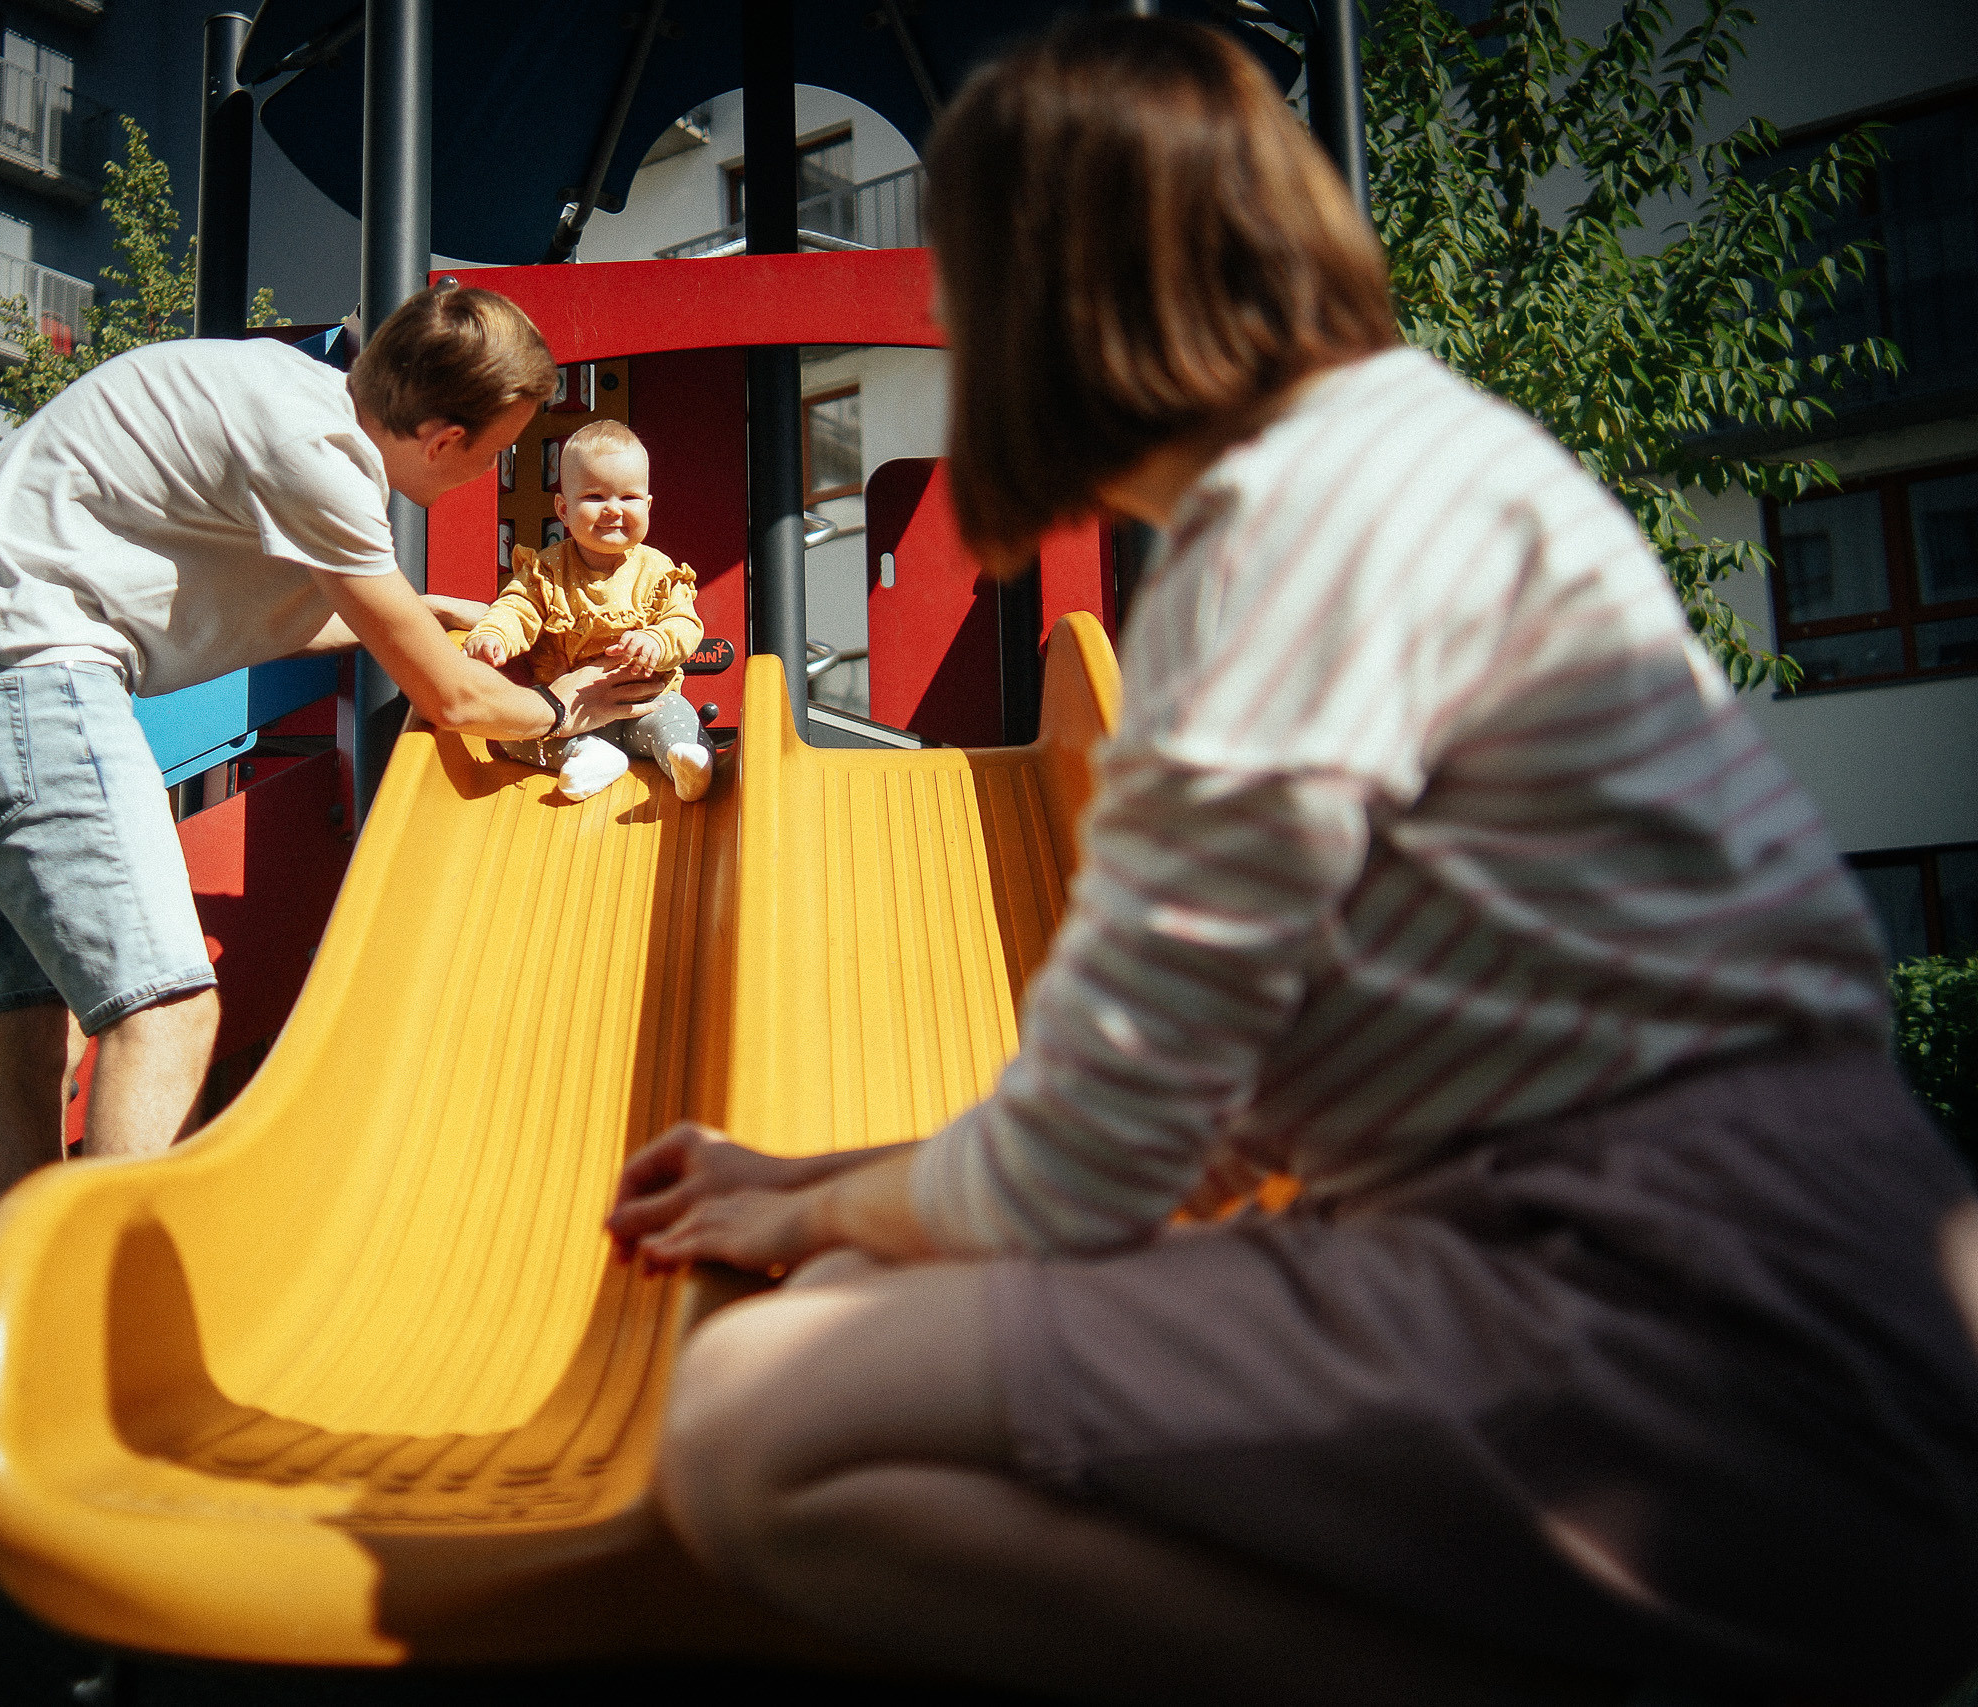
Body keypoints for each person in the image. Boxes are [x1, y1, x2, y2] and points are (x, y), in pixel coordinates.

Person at [604, 18, 1978, 1707]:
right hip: (1814, 1291)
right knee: (844, 1283)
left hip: (1684, 1333)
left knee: (754, 1431)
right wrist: (830, 1174)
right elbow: (1210, 1116)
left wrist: (814, 1200)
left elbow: (1083, 1175)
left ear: (1051, 300)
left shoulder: (1288, 539)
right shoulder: (1428, 460)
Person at [0, 285, 657, 1226]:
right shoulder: (323, 460)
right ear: (447, 440)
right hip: (27, 669)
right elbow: (452, 698)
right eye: (495, 452)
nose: (485, 470)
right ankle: (105, 1328)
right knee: (167, 1007)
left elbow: (283, 601)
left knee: (23, 1027)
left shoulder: (287, 394)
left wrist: (421, 618)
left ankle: (12, 1335)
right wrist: (557, 707)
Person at [463, 418, 715, 802]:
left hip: (641, 701)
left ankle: (685, 761)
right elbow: (516, 607)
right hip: (570, 713)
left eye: (629, 497)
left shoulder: (659, 571)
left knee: (676, 718)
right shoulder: (546, 571)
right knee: (508, 735)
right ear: (563, 510)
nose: (614, 510)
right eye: (595, 498)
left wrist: (656, 640)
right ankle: (589, 756)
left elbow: (684, 623)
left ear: (648, 505)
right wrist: (494, 634)